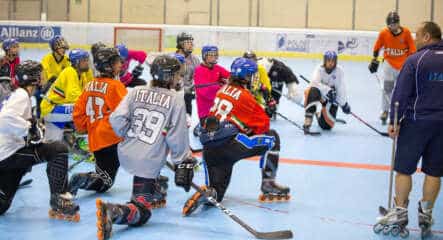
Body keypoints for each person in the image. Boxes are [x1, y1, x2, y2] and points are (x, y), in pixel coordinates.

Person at [95, 55, 196, 240]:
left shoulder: (135, 90)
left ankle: (156, 189)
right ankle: (114, 211)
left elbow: (116, 119)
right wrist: (183, 160)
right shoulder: (176, 99)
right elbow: (177, 136)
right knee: (143, 212)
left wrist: (129, 135)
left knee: (152, 164)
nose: (179, 78)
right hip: (147, 161)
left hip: (125, 151)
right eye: (176, 75)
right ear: (168, 76)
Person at [182, 57, 290, 217]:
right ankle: (268, 184)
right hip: (229, 146)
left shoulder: (222, 90)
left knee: (216, 195)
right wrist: (265, 112)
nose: (254, 79)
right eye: (252, 75)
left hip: (209, 150)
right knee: (272, 138)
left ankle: (208, 193)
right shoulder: (245, 96)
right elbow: (264, 126)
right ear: (246, 77)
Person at [374, 21, 443, 238]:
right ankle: (426, 216)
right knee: (434, 172)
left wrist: (394, 121)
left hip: (416, 122)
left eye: (418, 35)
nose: (415, 39)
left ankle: (400, 213)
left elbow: (400, 94)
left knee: (404, 169)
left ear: (426, 37)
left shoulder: (416, 60)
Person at [0, 60, 79, 221]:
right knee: (58, 149)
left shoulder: (21, 95)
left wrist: (33, 130)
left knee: (2, 205)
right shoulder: (21, 95)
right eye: (40, 75)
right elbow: (4, 119)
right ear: (34, 78)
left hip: (8, 156)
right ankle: (59, 199)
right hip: (10, 154)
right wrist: (29, 128)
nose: (44, 78)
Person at [70, 47, 127, 197]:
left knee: (102, 175)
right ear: (108, 66)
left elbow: (78, 113)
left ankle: (89, 178)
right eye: (116, 62)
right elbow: (126, 111)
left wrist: (85, 128)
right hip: (111, 138)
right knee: (105, 182)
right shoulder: (116, 86)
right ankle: (81, 179)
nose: (120, 65)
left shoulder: (89, 84)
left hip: (96, 139)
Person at [369, 11, 416, 125]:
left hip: (403, 65)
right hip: (389, 64)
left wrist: (413, 63)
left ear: (398, 23)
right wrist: (374, 59)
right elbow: (377, 46)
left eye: (394, 24)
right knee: (387, 88)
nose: (392, 27)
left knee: (402, 89)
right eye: (390, 25)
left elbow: (412, 49)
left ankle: (402, 112)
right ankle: (385, 111)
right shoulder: (384, 33)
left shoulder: (406, 33)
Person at [40, 49, 93, 142]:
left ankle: (76, 138)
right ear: (77, 63)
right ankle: (82, 140)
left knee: (52, 144)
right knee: (87, 110)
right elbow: (74, 97)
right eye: (84, 60)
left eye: (87, 59)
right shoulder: (70, 71)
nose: (87, 62)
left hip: (57, 108)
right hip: (51, 108)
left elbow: (88, 91)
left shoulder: (82, 75)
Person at [303, 51, 351, 134]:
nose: (330, 63)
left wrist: (344, 104)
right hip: (319, 95)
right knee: (312, 90)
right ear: (325, 61)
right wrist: (328, 90)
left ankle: (319, 115)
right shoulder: (319, 69)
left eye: (333, 61)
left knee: (327, 127)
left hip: (331, 99)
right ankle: (307, 122)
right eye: (328, 61)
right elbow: (314, 83)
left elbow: (341, 88)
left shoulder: (339, 71)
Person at [194, 45, 229, 131]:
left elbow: (230, 76)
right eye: (211, 55)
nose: (214, 57)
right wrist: (221, 85)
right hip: (205, 110)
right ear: (204, 56)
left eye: (215, 55)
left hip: (218, 109)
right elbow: (206, 92)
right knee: (212, 132)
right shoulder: (199, 71)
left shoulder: (217, 68)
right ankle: (200, 126)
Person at [175, 32, 200, 123]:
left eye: (191, 43)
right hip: (174, 92)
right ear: (180, 44)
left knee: (187, 121)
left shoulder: (195, 60)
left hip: (188, 93)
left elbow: (198, 77)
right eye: (187, 43)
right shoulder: (172, 57)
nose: (191, 45)